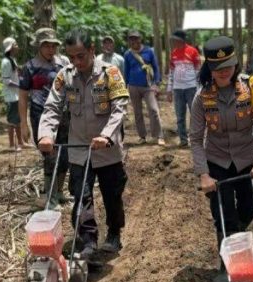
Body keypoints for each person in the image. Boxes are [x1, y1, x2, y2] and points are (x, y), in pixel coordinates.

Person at [38, 28, 129, 259]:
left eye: (81, 56)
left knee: (112, 195)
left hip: (107, 150)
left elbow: (119, 108)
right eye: (72, 57)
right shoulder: (65, 76)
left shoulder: (111, 74)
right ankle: (88, 240)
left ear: (92, 50)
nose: (76, 62)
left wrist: (107, 135)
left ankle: (114, 233)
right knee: (81, 196)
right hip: (78, 149)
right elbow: (52, 107)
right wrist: (45, 134)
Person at [190, 36, 253, 282]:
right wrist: (204, 174)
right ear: (209, 69)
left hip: (247, 162)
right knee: (223, 214)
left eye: (228, 66)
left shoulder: (251, 87)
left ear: (236, 64)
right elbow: (194, 138)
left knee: (250, 206)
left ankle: (237, 238)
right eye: (218, 68)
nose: (224, 72)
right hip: (218, 164)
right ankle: (227, 265)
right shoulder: (202, 97)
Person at [18, 28, 70, 208]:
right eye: (46, 45)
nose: (50, 49)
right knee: (49, 154)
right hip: (40, 114)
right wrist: (23, 123)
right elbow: (23, 95)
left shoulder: (63, 63)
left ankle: (59, 191)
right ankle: (50, 195)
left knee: (65, 154)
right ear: (39, 46)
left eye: (53, 45)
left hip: (63, 113)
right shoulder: (30, 67)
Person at [123, 30, 165, 146]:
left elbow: (156, 68)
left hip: (148, 86)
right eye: (131, 39)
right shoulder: (127, 54)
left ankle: (159, 135)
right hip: (133, 86)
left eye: (136, 38)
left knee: (153, 110)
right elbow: (126, 71)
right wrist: (125, 87)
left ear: (140, 39)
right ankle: (142, 136)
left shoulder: (149, 51)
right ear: (129, 41)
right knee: (137, 112)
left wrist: (156, 83)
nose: (134, 41)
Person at [167, 29, 200, 147]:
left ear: (181, 40)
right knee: (180, 116)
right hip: (177, 89)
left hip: (191, 88)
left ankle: (196, 139)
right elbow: (171, 72)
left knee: (195, 114)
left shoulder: (193, 52)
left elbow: (198, 71)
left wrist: (198, 88)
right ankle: (183, 140)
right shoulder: (174, 53)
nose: (174, 42)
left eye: (175, 40)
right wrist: (169, 89)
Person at [1, 37, 30, 151]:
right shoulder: (6, 62)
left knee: (17, 120)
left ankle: (21, 142)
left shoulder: (12, 60)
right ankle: (12, 145)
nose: (17, 46)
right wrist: (20, 86)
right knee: (12, 121)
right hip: (11, 96)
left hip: (16, 95)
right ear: (11, 47)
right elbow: (6, 81)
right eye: (15, 44)